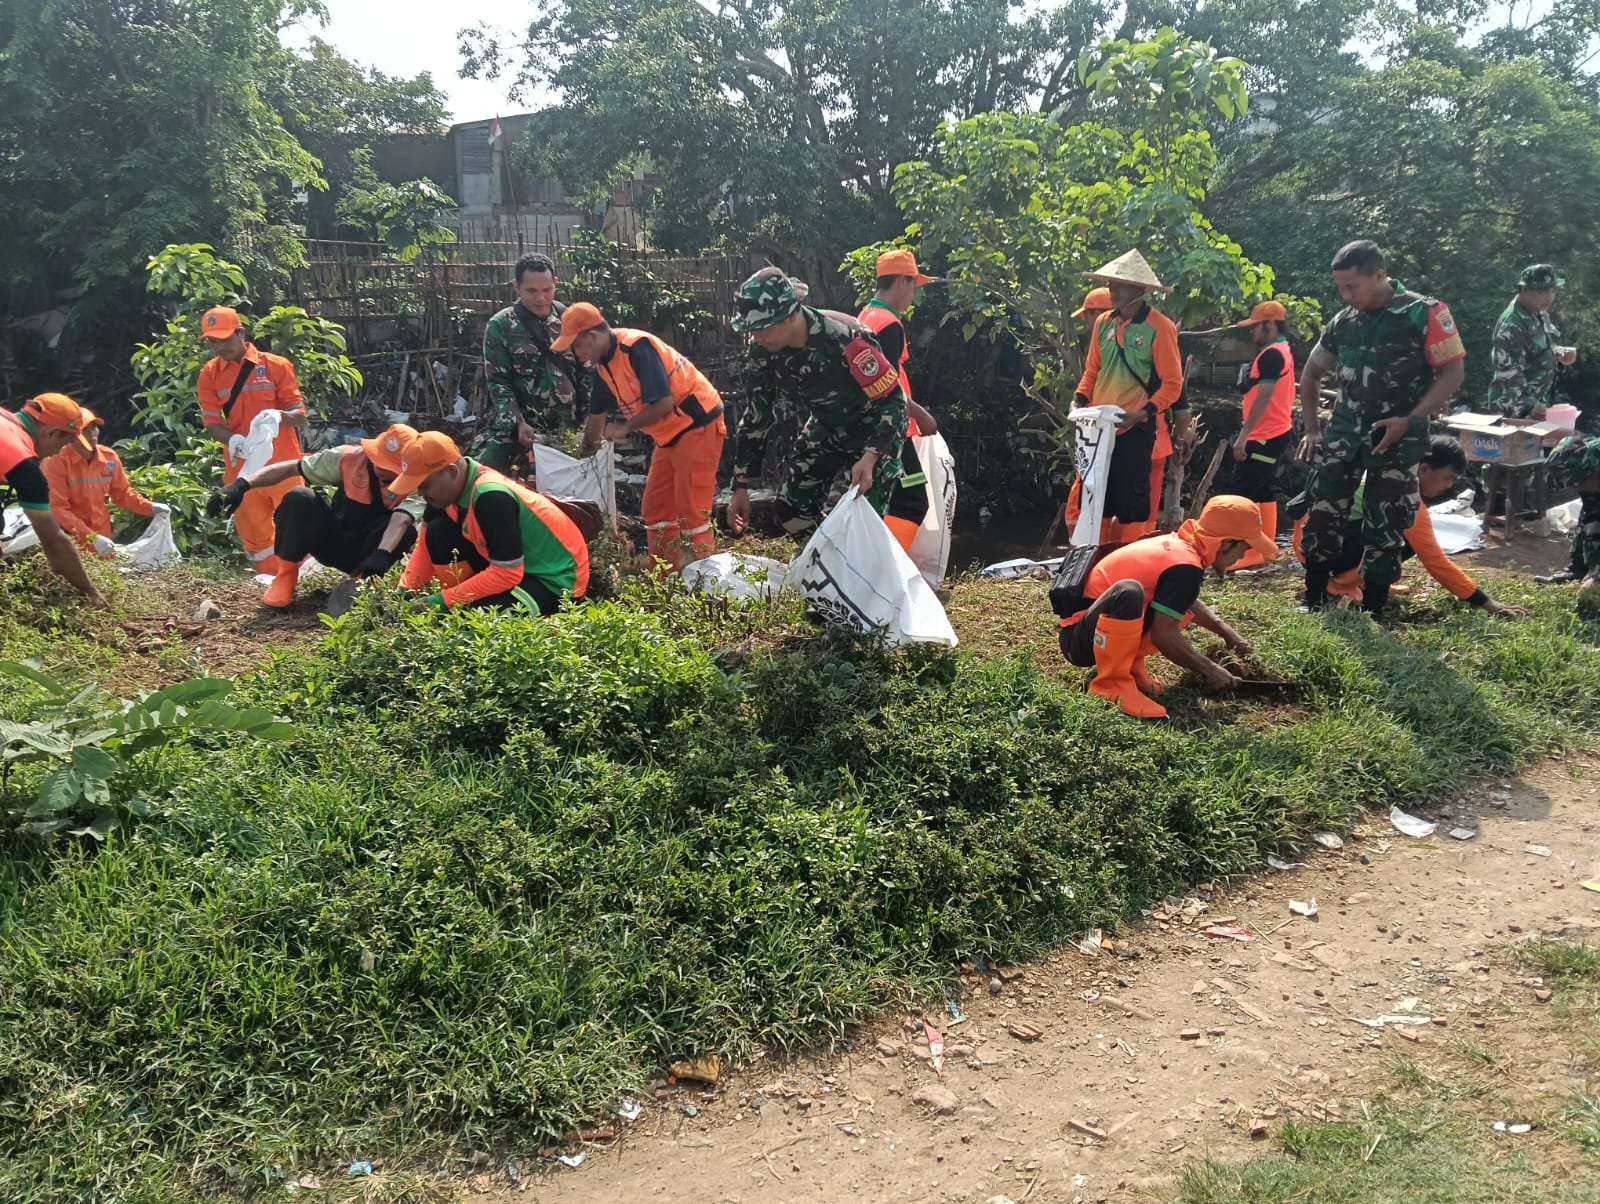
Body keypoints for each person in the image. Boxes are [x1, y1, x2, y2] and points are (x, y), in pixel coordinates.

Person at [1298, 240, 1466, 613]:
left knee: (1386, 520)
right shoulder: (1344, 321)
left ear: (1379, 275)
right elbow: (1309, 374)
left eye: (1352, 286)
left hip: (1396, 437)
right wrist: (1312, 429)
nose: (1346, 295)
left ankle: (1374, 608)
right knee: (1323, 511)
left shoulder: (1423, 314)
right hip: (1344, 435)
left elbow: (1453, 371)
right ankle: (1313, 596)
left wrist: (1413, 419)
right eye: (1340, 287)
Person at [1057, 495, 1277, 719]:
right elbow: (1165, 636)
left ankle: (1130, 668)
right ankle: (1111, 684)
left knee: (1159, 602)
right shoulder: (1185, 566)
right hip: (1080, 643)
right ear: (1227, 542)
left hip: (1091, 629)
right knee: (1129, 592)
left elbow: (1180, 600)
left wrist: (1227, 633)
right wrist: (1209, 669)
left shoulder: (1182, 548)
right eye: (1244, 547)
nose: (1242, 556)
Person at [726, 267, 907, 536]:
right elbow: (757, 415)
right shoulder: (763, 351)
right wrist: (740, 486)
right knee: (791, 510)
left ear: (789, 315)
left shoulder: (846, 338)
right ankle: (825, 559)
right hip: (826, 424)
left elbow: (894, 401)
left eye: (762, 328)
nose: (757, 337)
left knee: (865, 522)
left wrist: (870, 458)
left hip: (874, 429)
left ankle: (863, 566)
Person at [560, 302, 725, 570]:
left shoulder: (637, 347)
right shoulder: (604, 367)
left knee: (692, 512)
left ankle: (709, 585)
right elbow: (597, 417)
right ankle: (664, 581)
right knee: (656, 510)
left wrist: (625, 428)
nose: (578, 354)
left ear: (592, 335)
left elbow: (662, 403)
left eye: (578, 345)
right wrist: (581, 455)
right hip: (671, 435)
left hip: (697, 425)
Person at [1289, 437, 1526, 616]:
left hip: (1308, 550)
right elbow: (1435, 562)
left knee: (1387, 533)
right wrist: (1486, 602)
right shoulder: (1405, 499)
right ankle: (1341, 584)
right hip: (1325, 554)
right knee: (1407, 540)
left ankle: (1354, 581)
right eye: (1448, 477)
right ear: (1424, 469)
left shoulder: (1381, 471)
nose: (1448, 485)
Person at [210, 423, 424, 608]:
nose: (383, 469)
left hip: (372, 553)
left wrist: (381, 553)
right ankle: (285, 577)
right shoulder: (349, 458)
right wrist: (242, 484)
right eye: (380, 460)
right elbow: (290, 469)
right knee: (299, 497)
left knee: (407, 532)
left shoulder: (420, 480)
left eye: (391, 466)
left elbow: (401, 519)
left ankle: (356, 587)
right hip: (334, 540)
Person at [390, 431, 589, 614]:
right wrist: (402, 595)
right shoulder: (444, 495)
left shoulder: (491, 497)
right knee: (438, 531)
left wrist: (438, 603)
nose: (422, 495)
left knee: (466, 627)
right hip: (514, 568)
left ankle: (462, 605)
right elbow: (424, 546)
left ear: (451, 472)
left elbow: (507, 573)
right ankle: (461, 601)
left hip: (553, 582)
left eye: (424, 486)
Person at [1066, 250, 1184, 545]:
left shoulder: (1160, 327)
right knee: (1096, 496)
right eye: (1111, 285)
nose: (1113, 291)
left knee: (1132, 501)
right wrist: (1079, 400)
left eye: (1120, 285)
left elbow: (1173, 384)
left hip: (1136, 428)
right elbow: (1092, 371)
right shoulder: (1103, 323)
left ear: (1140, 290)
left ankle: (1129, 557)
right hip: (1100, 428)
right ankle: (1094, 556)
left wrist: (1142, 413)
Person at [196, 305, 306, 576]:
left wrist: (277, 417)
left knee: (296, 525)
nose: (219, 347)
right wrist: (233, 439)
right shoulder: (209, 374)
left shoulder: (276, 366)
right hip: (241, 469)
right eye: (212, 341)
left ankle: (303, 584)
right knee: (257, 537)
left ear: (240, 333)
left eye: (223, 339)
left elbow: (299, 415)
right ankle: (270, 583)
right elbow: (212, 424)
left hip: (283, 465)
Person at [478, 252, 591, 473]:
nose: (540, 298)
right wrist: (517, 422)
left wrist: (588, 420)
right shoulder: (501, 325)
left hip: (567, 428)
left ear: (556, 284)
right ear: (516, 286)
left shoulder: (570, 320)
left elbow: (587, 374)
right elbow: (498, 382)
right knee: (479, 473)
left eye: (547, 290)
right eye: (531, 291)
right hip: (521, 426)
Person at [857, 249, 939, 551]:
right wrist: (921, 414)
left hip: (874, 430)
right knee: (913, 501)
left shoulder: (867, 316)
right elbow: (886, 387)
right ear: (902, 282)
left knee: (885, 502)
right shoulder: (889, 325)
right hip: (891, 430)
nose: (913, 295)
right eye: (913, 286)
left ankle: (879, 567)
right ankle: (889, 570)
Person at [0, 394, 105, 605]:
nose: (59, 452)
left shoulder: (5, 419)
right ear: (52, 433)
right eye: (65, 442)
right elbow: (53, 540)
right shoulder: (23, 463)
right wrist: (90, 591)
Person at [1226, 301, 1297, 567]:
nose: (1252, 333)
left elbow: (1264, 397)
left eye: (1256, 327)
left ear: (1270, 324)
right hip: (1275, 432)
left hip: (1265, 434)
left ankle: (1246, 552)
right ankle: (1266, 550)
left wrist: (1244, 435)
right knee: (1264, 489)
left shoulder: (1272, 355)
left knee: (1240, 494)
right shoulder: (1281, 350)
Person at [43, 407, 165, 556]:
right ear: (72, 435)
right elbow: (58, 509)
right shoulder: (56, 461)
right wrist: (90, 537)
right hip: (69, 538)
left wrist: (151, 507)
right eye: (85, 429)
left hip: (103, 538)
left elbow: (122, 493)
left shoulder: (109, 458)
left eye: (94, 427)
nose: (92, 433)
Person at [1487, 264, 1576, 420]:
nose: (1549, 297)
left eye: (1552, 291)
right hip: (1514, 411)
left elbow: (1538, 349)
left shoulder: (1539, 312)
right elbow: (1509, 371)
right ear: (1524, 290)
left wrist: (1559, 353)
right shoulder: (1513, 324)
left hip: (1537, 406)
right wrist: (1530, 405)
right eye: (1542, 292)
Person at [1544, 433, 1600, 612]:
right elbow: (1592, 517)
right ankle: (1578, 567)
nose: (1576, 488)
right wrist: (1581, 566)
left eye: (1579, 483)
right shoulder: (1584, 457)